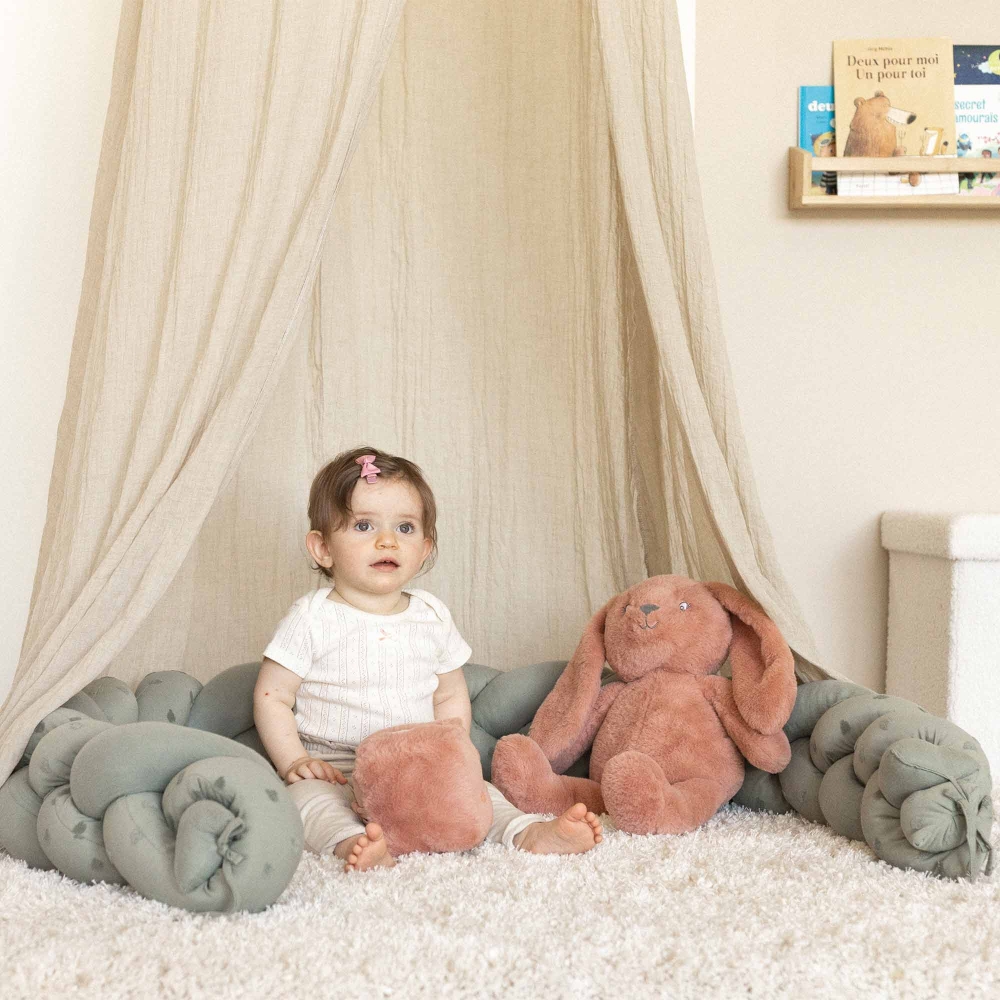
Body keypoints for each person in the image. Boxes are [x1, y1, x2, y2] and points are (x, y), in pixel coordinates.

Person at [253, 446, 603, 872]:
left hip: (418, 765)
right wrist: (294, 761)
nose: (387, 540)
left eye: (405, 527)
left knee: (480, 793)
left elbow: (450, 694)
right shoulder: (311, 617)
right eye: (364, 525)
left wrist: (455, 752)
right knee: (307, 804)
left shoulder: (431, 614)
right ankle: (355, 844)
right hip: (340, 767)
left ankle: (527, 831)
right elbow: (273, 696)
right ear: (322, 548)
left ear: (424, 548)